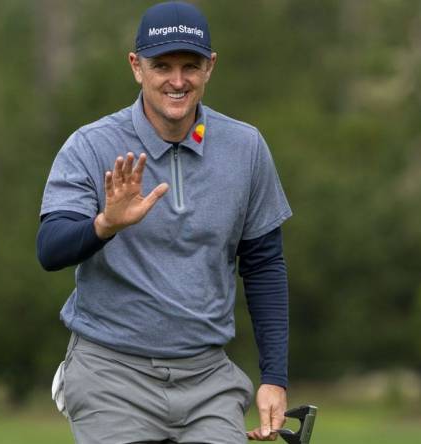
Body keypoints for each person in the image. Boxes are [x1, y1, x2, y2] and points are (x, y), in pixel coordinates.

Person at [37, 2, 292, 442]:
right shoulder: (90, 146)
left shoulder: (245, 148)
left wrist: (274, 377)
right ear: (137, 67)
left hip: (208, 377)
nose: (177, 81)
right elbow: (50, 248)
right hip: (110, 375)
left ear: (210, 67)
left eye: (190, 66)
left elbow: (264, 264)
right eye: (163, 66)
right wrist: (104, 225)